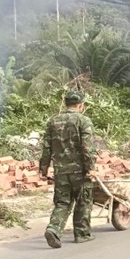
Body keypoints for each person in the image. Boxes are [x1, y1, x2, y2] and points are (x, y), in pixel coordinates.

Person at [39, 90, 97, 248]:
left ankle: (53, 229)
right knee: (83, 201)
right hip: (80, 171)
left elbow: (46, 148)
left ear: (66, 104)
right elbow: (87, 147)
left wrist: (43, 169)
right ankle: (82, 234)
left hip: (61, 171)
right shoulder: (83, 121)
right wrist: (91, 167)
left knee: (62, 203)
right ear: (80, 105)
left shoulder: (53, 121)